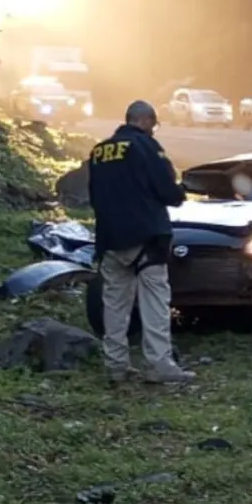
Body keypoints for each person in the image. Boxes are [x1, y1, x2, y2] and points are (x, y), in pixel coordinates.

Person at [87, 101, 194, 385]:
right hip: (147, 237)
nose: (153, 129)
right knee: (155, 301)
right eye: (153, 124)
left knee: (115, 305)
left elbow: (93, 195)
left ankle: (116, 365)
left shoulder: (99, 151)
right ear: (145, 120)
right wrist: (180, 192)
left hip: (110, 238)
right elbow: (167, 190)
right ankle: (159, 364)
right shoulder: (146, 146)